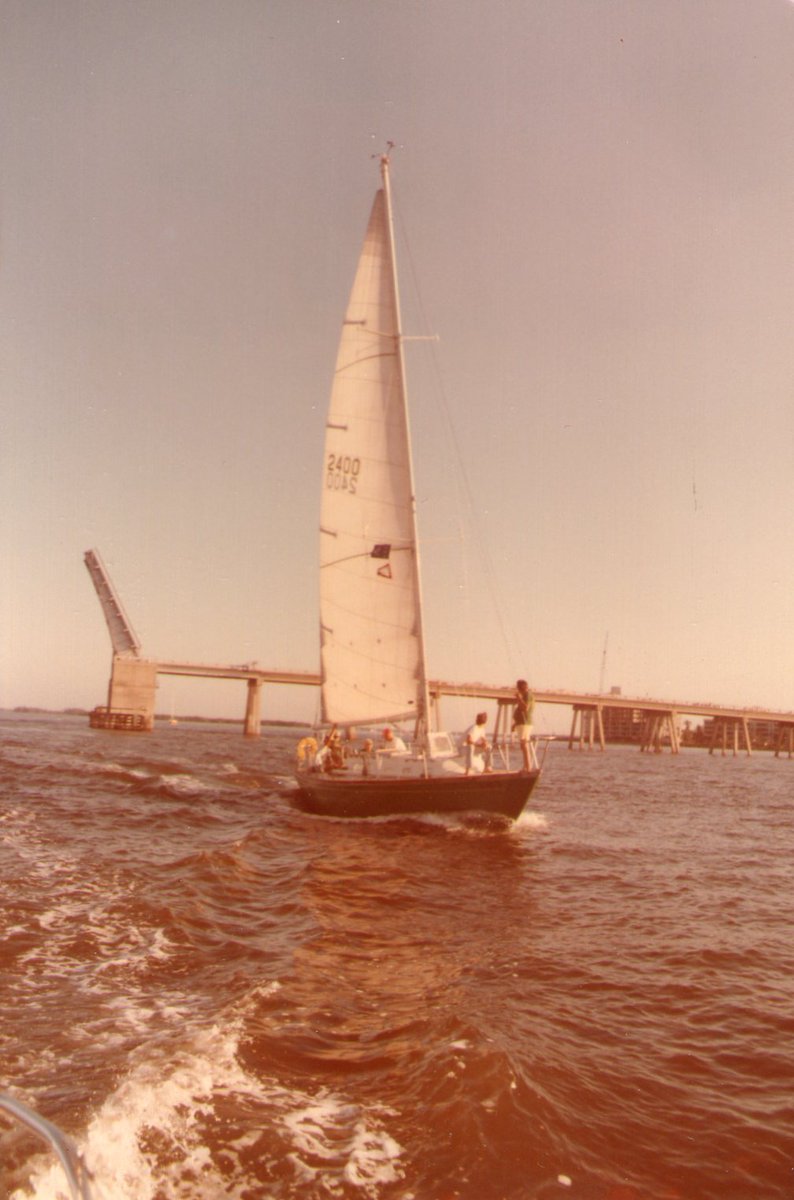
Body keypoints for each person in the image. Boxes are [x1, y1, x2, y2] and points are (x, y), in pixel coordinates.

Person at [513, 679, 534, 772]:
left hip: (525, 723)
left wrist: (519, 698)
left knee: (524, 744)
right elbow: (521, 711)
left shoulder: (527, 695)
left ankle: (528, 767)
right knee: (523, 745)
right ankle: (526, 766)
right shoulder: (525, 696)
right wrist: (515, 723)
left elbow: (525, 708)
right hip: (520, 723)